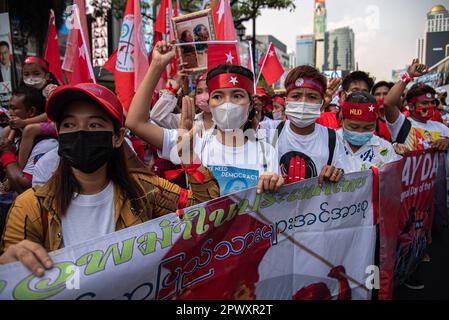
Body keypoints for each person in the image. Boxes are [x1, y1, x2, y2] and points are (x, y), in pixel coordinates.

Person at [0, 82, 220, 276]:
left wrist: (190, 158)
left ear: (117, 137)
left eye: (95, 125)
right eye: (69, 125)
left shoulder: (144, 190)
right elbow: (12, 278)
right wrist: (9, 263)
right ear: (59, 133)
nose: (81, 132)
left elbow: (208, 211)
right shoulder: (30, 206)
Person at [126, 40, 283, 196]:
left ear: (249, 105)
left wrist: (274, 184)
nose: (227, 103)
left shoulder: (267, 151)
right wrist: (157, 65)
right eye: (218, 96)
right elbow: (135, 122)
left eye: (237, 95)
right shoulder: (194, 141)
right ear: (210, 104)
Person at [264, 65, 348, 186]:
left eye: (312, 97)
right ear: (286, 101)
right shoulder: (269, 133)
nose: (303, 102)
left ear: (321, 103)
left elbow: (345, 184)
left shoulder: (333, 139)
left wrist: (336, 174)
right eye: (296, 96)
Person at [3, 57, 59, 170]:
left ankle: (19, 169)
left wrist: (23, 122)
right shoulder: (25, 90)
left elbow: (50, 113)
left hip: (56, 123)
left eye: (36, 73)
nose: (30, 78)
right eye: (26, 74)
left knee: (30, 129)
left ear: (47, 76)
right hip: (34, 122)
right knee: (6, 130)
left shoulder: (50, 89)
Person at [0, 85, 58, 194]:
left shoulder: (46, 144)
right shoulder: (16, 135)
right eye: (9, 108)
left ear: (31, 111)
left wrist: (7, 154)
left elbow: (25, 187)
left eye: (14, 108)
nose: (10, 113)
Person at [384, 59, 449, 152]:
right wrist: (408, 75)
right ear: (411, 106)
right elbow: (388, 103)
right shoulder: (402, 124)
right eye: (425, 103)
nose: (430, 106)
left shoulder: (441, 128)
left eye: (432, 102)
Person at [339, 91, 402, 172]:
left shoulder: (385, 149)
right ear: (342, 120)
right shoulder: (329, 142)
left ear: (376, 123)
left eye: (368, 128)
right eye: (354, 127)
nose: (360, 132)